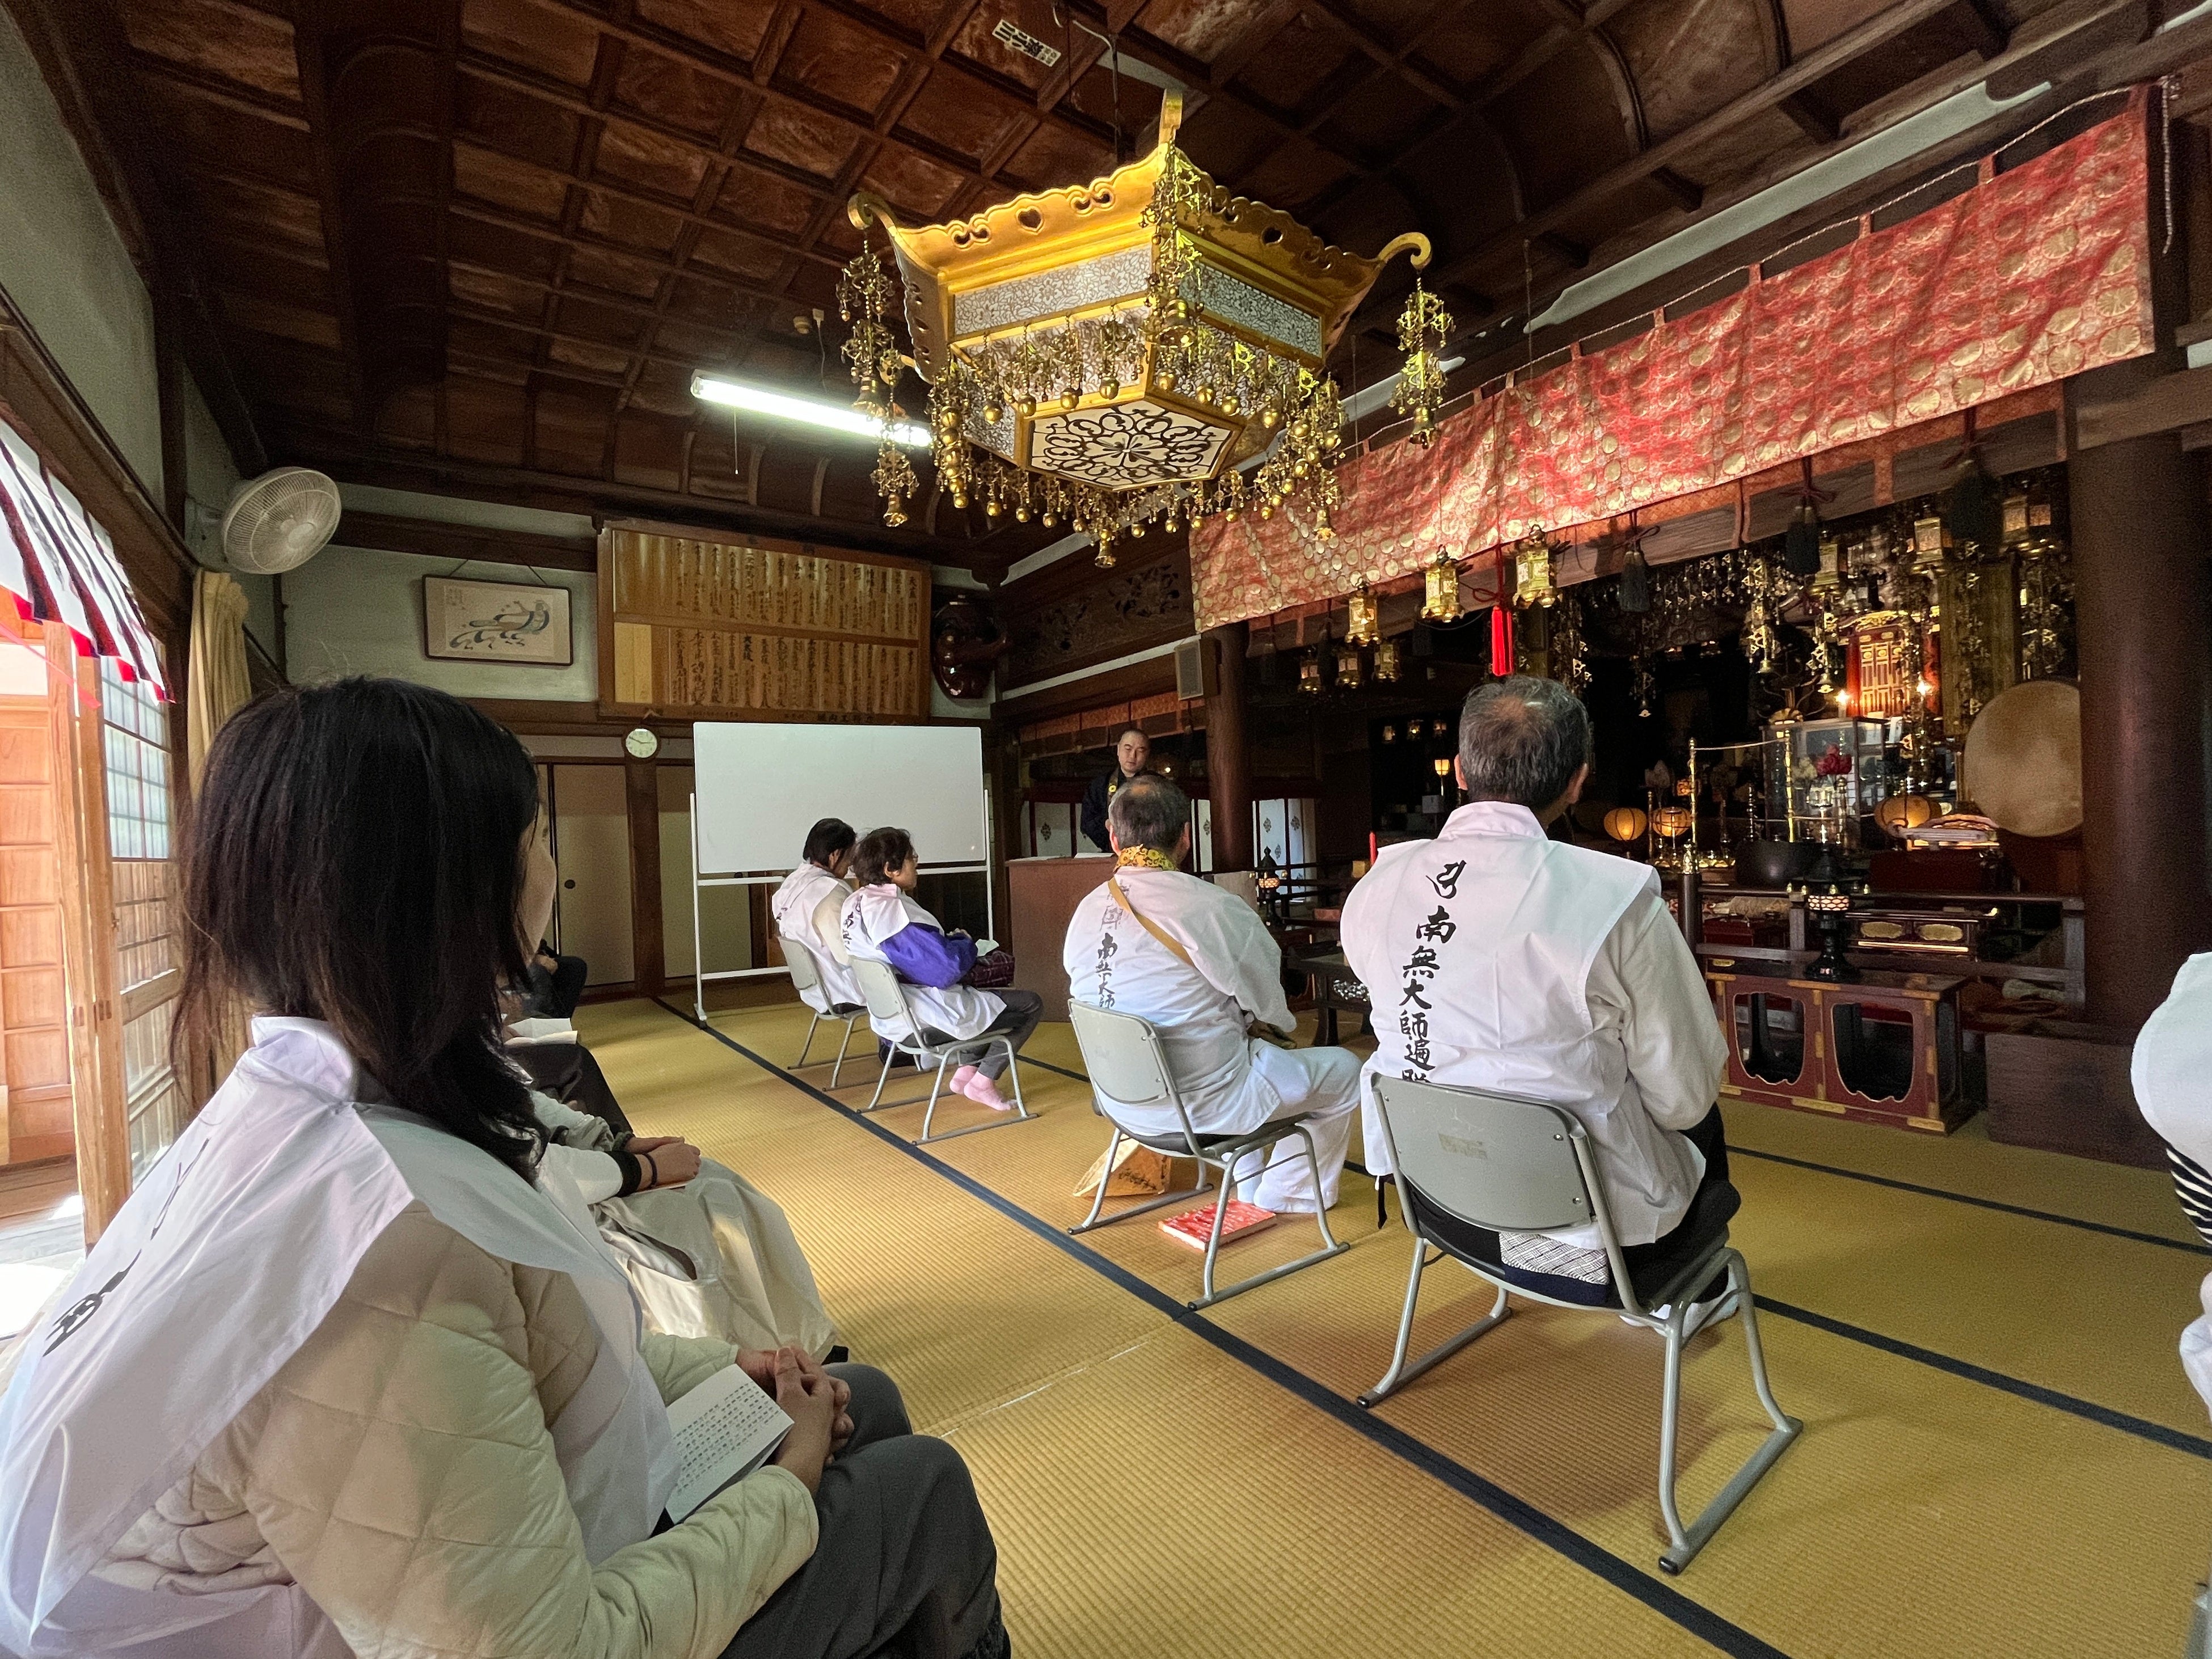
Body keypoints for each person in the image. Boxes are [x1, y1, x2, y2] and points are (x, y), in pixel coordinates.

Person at [0, 678, 1006, 1659]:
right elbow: (547, 1640)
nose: (548, 866)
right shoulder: (376, 1252)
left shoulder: (299, 1102)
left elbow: (524, 1349)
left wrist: (718, 1366)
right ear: (456, 892)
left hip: (448, 1554)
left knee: (860, 1394)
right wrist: (788, 1482)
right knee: (922, 1485)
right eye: (537, 838)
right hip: (503, 1622)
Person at [1340, 675, 1736, 1325]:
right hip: (1592, 1247)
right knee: (1699, 1112)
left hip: (1439, 1207)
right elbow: (1684, 1096)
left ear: (1460, 771)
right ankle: (1686, 1294)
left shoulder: (1377, 886)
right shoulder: (1614, 899)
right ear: (1578, 782)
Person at [1064, 773, 1362, 1212]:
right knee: (1343, 1069)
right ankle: (1287, 1192)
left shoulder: (1085, 912)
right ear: (1186, 837)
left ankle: (1247, 1181)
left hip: (1119, 1102)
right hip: (1206, 1108)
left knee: (1228, 1045)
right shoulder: (1212, 906)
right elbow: (1269, 1003)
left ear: (1112, 837)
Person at [531, 1080, 843, 1361]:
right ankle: (729, 1363)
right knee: (678, 1240)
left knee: (722, 1189)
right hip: (554, 1200)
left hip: (579, 1165)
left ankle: (800, 1344)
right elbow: (539, 1167)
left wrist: (617, 1143)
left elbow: (525, 1102)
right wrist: (646, 1168)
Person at [841, 826, 1041, 1112]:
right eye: (911, 858)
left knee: (985, 1003)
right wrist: (964, 943)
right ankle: (983, 1080)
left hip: (889, 1012)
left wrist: (946, 945)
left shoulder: (855, 902)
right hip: (921, 1013)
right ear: (890, 869)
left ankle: (967, 1073)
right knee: (1030, 1005)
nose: (916, 863)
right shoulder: (892, 912)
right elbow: (944, 973)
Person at [772, 818, 864, 1012]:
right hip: (842, 990)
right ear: (835, 855)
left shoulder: (790, 884)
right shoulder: (830, 891)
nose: (850, 864)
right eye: (850, 857)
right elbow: (848, 955)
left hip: (813, 989)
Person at [1081, 725, 1152, 852]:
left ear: (1147, 754)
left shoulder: (1158, 785)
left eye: (1140, 751)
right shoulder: (1099, 785)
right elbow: (1087, 823)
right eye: (1128, 749)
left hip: (1150, 853)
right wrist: (1107, 824)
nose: (1133, 755)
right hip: (1111, 852)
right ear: (1118, 750)